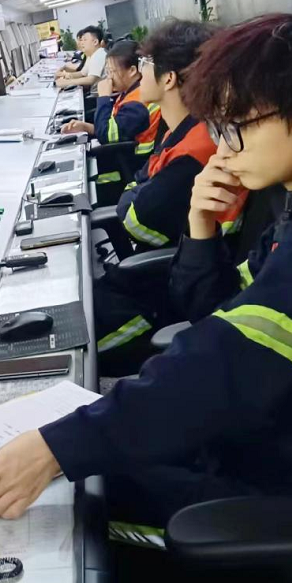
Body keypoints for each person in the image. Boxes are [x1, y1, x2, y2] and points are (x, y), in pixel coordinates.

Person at [0, 15, 292, 538]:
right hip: (281, 430)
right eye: (219, 129)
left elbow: (229, 362)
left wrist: (57, 448)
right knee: (94, 463)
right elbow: (219, 315)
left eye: (237, 128)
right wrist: (201, 228)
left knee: (72, 502)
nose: (223, 150)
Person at [93, 19, 229, 374]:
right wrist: (133, 194)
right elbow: (139, 185)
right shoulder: (180, 132)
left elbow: (137, 218)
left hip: (158, 292)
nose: (140, 72)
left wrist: (131, 195)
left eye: (146, 63)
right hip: (153, 275)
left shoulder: (195, 152)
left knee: (75, 341)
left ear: (169, 78)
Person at [63, 40, 162, 203]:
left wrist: (103, 97)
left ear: (132, 71)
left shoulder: (137, 103)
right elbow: (116, 128)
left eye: (112, 71)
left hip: (127, 168)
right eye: (107, 71)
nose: (109, 77)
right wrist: (87, 127)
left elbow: (107, 136)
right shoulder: (130, 93)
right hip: (122, 158)